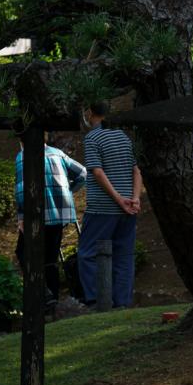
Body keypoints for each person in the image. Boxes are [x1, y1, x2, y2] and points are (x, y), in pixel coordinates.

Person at [78, 101, 142, 308]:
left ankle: (97, 300)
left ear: (90, 112)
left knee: (88, 253)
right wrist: (134, 198)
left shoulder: (92, 138)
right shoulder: (124, 137)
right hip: (129, 208)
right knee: (124, 255)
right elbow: (136, 170)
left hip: (102, 208)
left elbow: (97, 171)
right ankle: (122, 302)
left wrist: (118, 199)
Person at [15, 133, 86, 309]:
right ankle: (52, 299)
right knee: (51, 258)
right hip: (60, 214)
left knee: (23, 252)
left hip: (36, 214)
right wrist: (68, 190)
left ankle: (44, 294)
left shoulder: (22, 156)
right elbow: (83, 173)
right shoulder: (57, 153)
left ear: (21, 142)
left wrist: (21, 218)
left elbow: (21, 189)